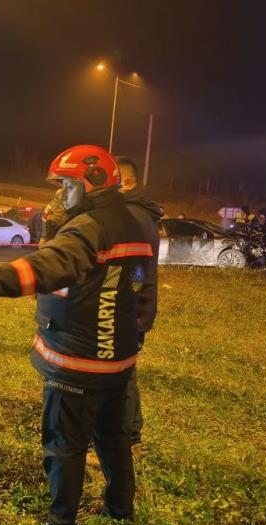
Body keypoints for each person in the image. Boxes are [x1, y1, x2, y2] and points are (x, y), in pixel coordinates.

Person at [0, 145, 153, 525]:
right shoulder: (132, 223)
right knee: (114, 440)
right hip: (117, 361)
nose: (60, 193)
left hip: (77, 363)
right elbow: (139, 288)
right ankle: (120, 510)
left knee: (64, 445)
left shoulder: (89, 227)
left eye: (66, 184)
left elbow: (53, 263)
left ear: (89, 184)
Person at [116, 156, 162, 448]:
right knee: (124, 372)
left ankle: (125, 440)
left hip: (129, 308)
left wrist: (121, 305)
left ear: (128, 183)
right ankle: (131, 436)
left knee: (118, 376)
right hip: (134, 307)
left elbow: (132, 269)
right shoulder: (136, 213)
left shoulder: (132, 216)